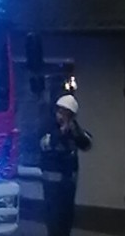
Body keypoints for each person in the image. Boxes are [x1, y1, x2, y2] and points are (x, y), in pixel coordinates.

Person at [39, 95, 92, 236]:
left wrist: (75, 131)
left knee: (66, 219)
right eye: (60, 112)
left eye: (66, 113)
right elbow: (46, 144)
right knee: (53, 220)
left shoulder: (74, 131)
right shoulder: (49, 127)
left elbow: (87, 144)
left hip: (68, 184)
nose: (62, 116)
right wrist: (61, 133)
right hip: (52, 185)